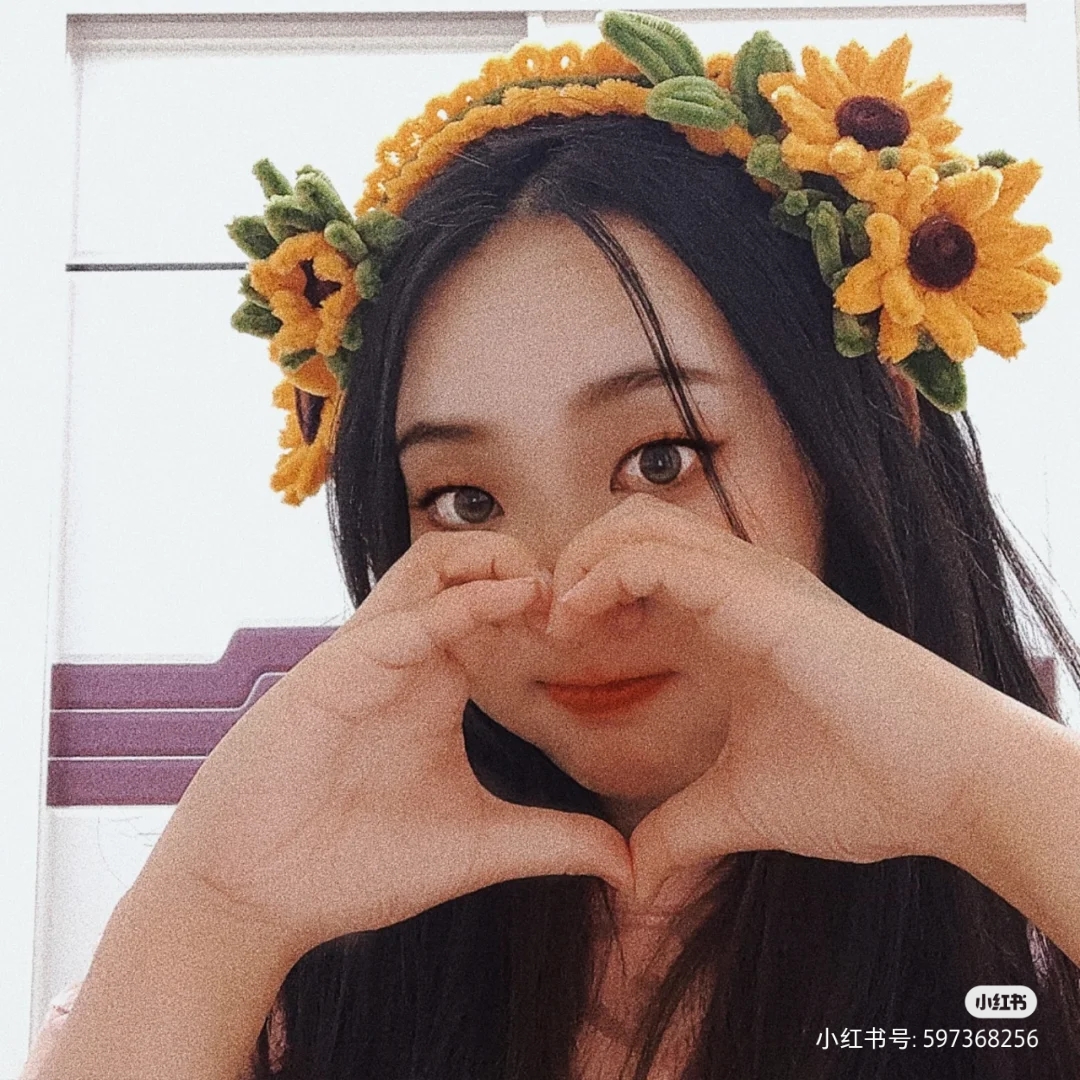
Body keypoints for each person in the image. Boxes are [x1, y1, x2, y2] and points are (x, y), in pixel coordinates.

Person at [23, 13, 1080, 1080]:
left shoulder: (1032, 950)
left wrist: (982, 794)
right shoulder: (270, 997)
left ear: (870, 427)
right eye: (466, 500)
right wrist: (215, 907)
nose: (573, 594)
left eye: (662, 460)